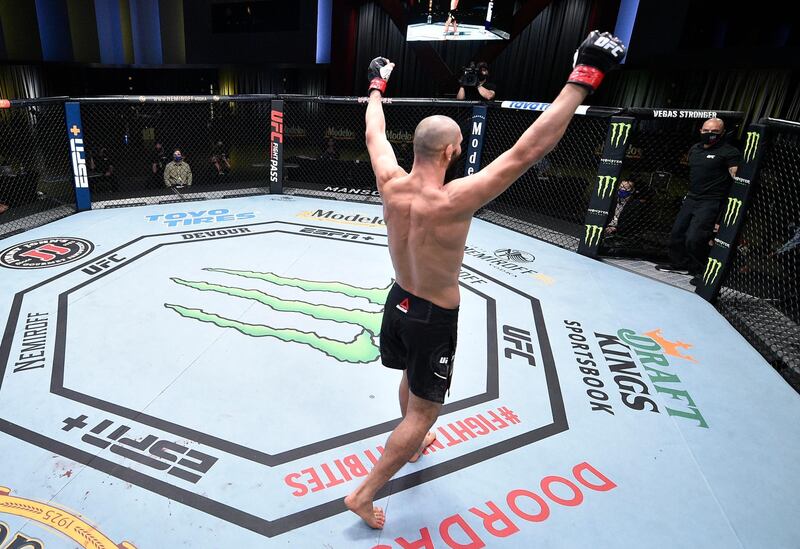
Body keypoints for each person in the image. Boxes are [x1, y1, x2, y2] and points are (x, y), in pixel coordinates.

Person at [344, 31, 625, 529]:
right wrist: (582, 80)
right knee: (424, 412)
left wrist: (375, 87)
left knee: (412, 381)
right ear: (452, 151)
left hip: (398, 300)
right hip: (433, 315)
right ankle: (364, 493)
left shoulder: (390, 180)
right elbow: (527, 150)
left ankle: (410, 444)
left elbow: (373, 133)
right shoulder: (454, 199)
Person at [655, 118, 741, 284]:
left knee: (695, 238)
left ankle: (703, 271)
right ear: (700, 130)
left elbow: (735, 173)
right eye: (707, 131)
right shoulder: (695, 149)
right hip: (692, 197)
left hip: (711, 201)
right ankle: (681, 263)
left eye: (715, 132)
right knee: (676, 234)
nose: (710, 134)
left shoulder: (729, 152)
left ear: (722, 133)